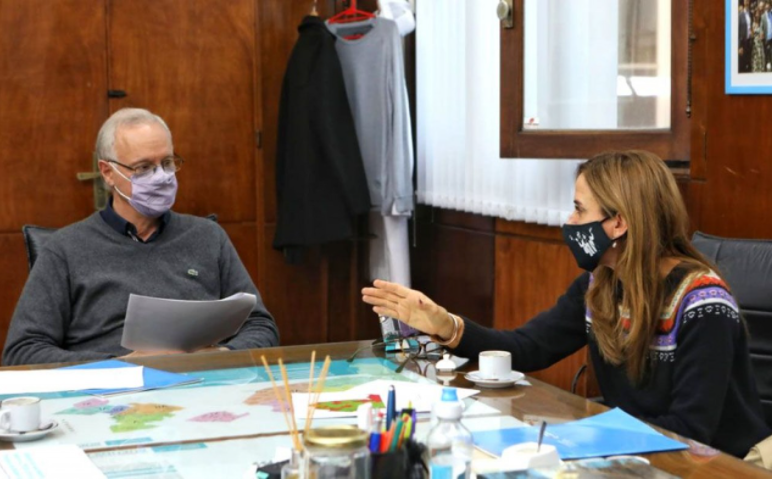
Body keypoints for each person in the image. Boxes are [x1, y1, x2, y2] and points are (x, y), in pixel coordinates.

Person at [362, 150, 771, 458]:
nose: (570, 222)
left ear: (619, 223)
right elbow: (528, 347)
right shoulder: (600, 284)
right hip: (641, 451)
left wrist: (583, 437)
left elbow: (689, 430)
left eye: (579, 209)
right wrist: (445, 324)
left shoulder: (703, 304)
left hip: (724, 463)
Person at [3, 108, 279, 366]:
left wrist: (219, 355)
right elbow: (23, 351)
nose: (161, 177)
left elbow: (261, 326)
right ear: (108, 173)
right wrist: (121, 365)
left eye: (167, 163)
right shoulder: (65, 249)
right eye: (144, 167)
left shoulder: (208, 237)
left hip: (201, 383)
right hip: (109, 393)